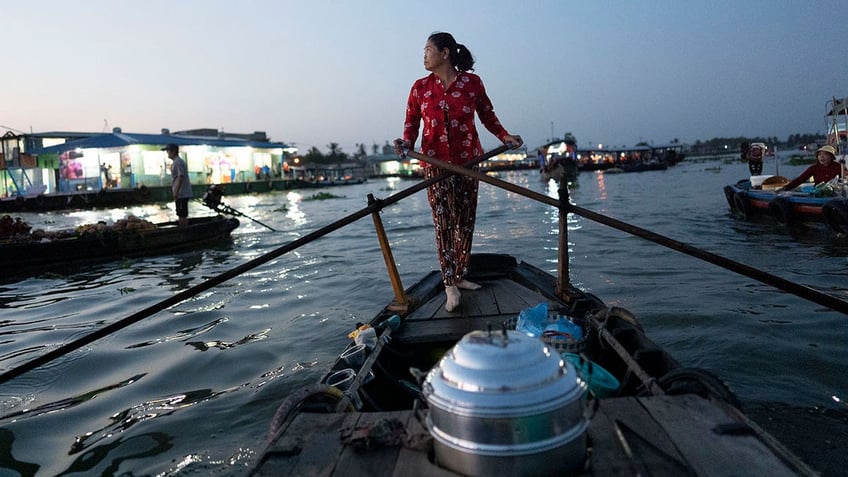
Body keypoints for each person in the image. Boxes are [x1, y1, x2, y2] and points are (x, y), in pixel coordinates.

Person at [394, 31, 522, 312]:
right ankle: (449, 283)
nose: (424, 55)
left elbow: (487, 115)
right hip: (435, 166)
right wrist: (406, 143)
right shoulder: (419, 88)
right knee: (443, 223)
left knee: (464, 221)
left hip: (467, 163)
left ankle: (460, 274)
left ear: (445, 53)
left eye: (428, 49)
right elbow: (411, 124)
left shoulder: (471, 83)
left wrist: (505, 136)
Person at [163, 144, 192, 226]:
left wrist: (176, 191)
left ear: (173, 151)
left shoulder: (177, 162)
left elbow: (180, 176)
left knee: (182, 214)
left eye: (168, 151)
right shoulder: (177, 162)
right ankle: (183, 227)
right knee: (180, 213)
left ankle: (184, 230)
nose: (167, 153)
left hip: (181, 193)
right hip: (181, 193)